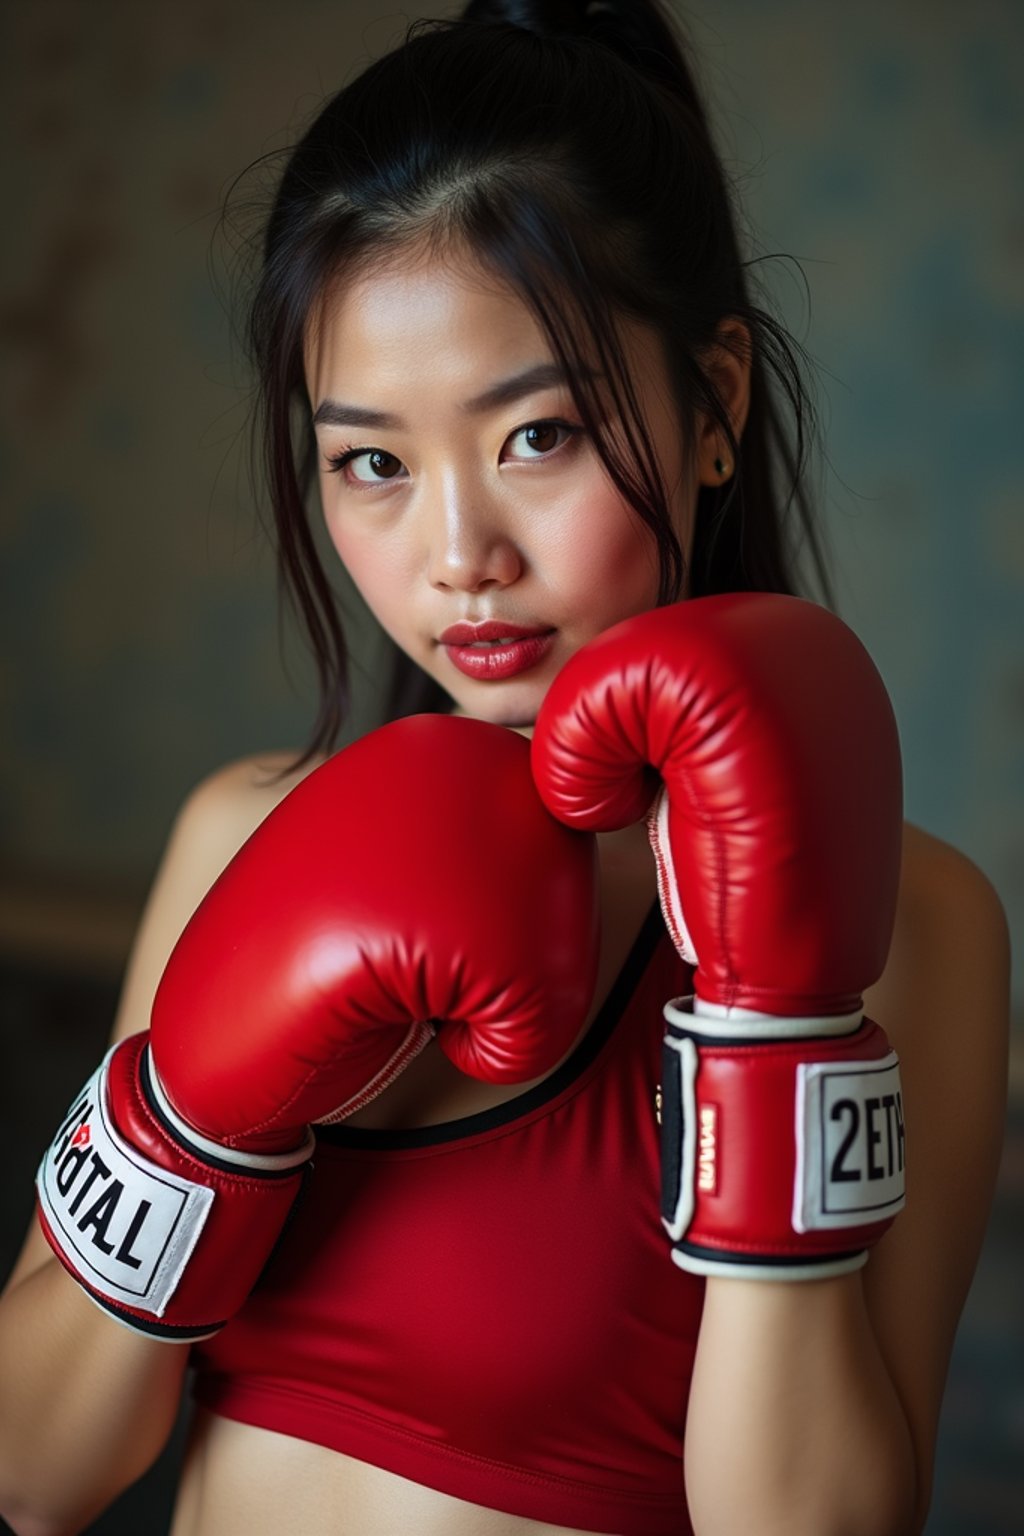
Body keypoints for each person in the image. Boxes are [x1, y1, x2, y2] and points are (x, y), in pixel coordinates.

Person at [0, 2, 1010, 1534]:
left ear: (716, 403)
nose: (458, 555)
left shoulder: (915, 923)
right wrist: (196, 1128)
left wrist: (770, 1016)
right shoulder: (241, 834)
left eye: (535, 435)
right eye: (372, 463)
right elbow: (36, 1473)